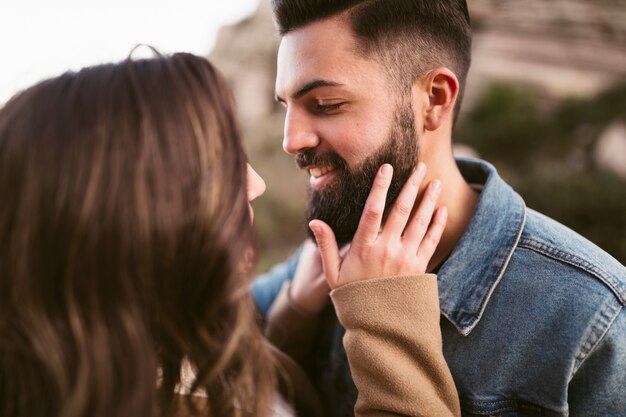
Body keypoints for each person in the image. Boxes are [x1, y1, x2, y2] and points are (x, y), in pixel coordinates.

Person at [0, 52, 459, 417]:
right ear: (129, 219)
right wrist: (387, 320)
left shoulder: (123, 350)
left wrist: (289, 319)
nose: (254, 183)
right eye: (217, 167)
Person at [251, 1, 626, 416]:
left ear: (434, 99)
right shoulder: (322, 259)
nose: (291, 140)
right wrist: (294, 314)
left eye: (325, 104)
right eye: (286, 106)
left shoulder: (593, 319)